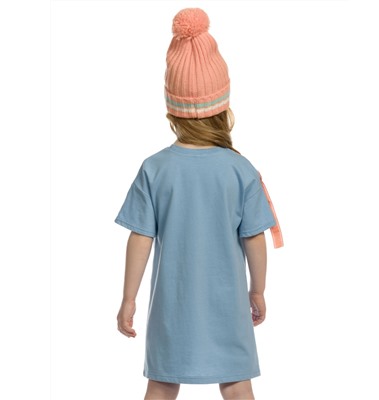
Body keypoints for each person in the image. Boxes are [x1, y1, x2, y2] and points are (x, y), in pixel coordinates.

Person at [114, 8, 283, 400]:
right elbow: (254, 239)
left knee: (161, 385)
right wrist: (257, 291)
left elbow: (140, 238)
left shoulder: (154, 169)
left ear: (172, 107)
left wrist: (128, 299)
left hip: (171, 311)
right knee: (237, 385)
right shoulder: (240, 170)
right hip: (229, 310)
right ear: (223, 104)